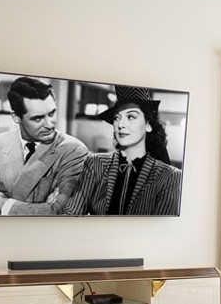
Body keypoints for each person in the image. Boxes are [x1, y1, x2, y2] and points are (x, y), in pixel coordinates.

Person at [0, 77, 88, 216]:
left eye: (52, 113)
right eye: (38, 118)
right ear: (16, 117)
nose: (49, 124)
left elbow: (62, 212)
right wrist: (40, 208)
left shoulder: (74, 150)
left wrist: (4, 205)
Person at [65, 85, 182, 216]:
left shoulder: (170, 177)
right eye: (117, 117)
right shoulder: (95, 163)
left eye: (131, 117)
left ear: (148, 125)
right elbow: (71, 214)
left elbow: (162, 231)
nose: (121, 124)